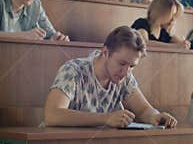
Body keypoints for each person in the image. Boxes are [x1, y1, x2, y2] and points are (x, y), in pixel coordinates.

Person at [44, 26, 177, 128]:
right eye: (122, 63)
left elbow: (143, 110)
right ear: (105, 52)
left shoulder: (125, 76)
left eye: (131, 66)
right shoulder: (73, 71)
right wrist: (105, 118)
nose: (125, 72)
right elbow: (52, 115)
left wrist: (156, 116)